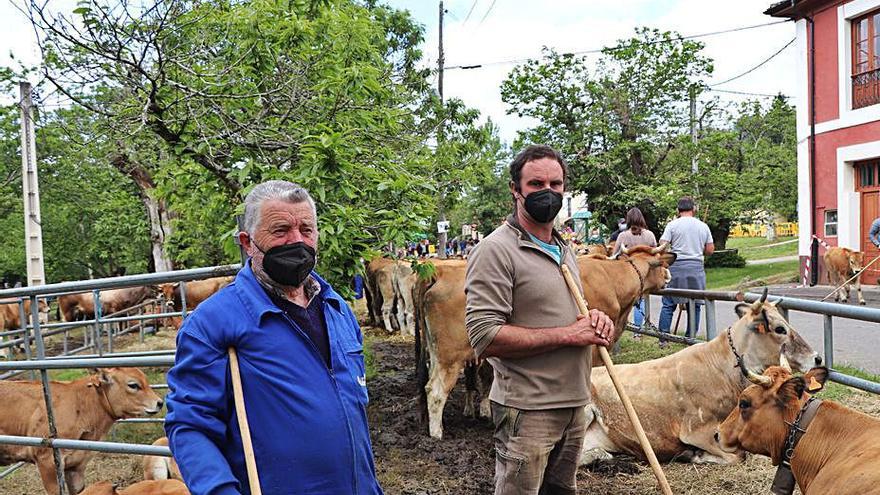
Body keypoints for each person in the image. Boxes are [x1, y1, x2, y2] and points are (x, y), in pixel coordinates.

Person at [164, 180, 383, 495]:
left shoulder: (338, 310)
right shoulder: (213, 322)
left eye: (306, 230)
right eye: (281, 231)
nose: (297, 241)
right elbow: (189, 426)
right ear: (247, 242)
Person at [465, 144, 613, 495]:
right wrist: (569, 334)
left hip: (575, 403)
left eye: (556, 184)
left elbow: (568, 313)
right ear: (515, 190)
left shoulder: (562, 248)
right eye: (536, 184)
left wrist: (593, 319)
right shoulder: (495, 250)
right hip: (528, 410)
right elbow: (485, 337)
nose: (548, 193)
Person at [657, 197, 714, 346]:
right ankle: (691, 339)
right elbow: (710, 250)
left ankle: (663, 338)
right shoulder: (703, 226)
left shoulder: (672, 225)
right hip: (696, 267)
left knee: (669, 303)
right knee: (694, 304)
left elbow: (662, 246)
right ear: (693, 209)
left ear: (678, 210)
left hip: (676, 265)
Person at [613, 207, 657, 337]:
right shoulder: (649, 235)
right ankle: (638, 332)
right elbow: (655, 254)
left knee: (624, 304)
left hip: (626, 275)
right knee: (640, 301)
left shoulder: (623, 236)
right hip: (645, 274)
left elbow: (615, 255)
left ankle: (620, 329)